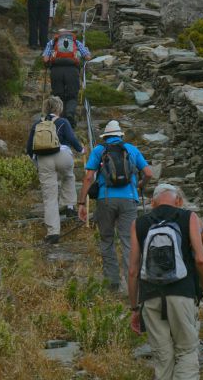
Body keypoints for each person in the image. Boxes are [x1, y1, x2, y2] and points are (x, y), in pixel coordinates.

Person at [128, 183, 203, 380]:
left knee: (162, 356)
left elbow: (132, 270)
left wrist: (134, 308)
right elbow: (200, 259)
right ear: (179, 201)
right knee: (186, 351)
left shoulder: (138, 223)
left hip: (150, 297)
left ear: (152, 202)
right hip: (182, 293)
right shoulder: (188, 217)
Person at [79, 120, 154, 292]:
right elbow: (149, 172)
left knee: (107, 239)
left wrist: (82, 202)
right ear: (120, 135)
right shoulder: (131, 149)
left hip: (105, 200)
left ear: (106, 136)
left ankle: (112, 283)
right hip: (129, 199)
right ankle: (132, 286)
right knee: (129, 242)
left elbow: (89, 177)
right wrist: (140, 184)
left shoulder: (99, 150)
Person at [26, 96, 85, 244]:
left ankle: (53, 233)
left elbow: (29, 147)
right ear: (59, 108)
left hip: (44, 159)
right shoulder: (63, 122)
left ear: (45, 108)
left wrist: (35, 159)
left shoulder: (37, 124)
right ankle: (69, 205)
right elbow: (72, 139)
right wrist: (81, 149)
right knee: (69, 177)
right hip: (62, 155)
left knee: (50, 197)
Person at [43, 29, 91, 126]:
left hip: (56, 70)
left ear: (58, 35)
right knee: (72, 95)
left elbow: (45, 59)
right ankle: (69, 114)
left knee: (58, 95)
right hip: (72, 70)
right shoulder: (76, 42)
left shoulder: (52, 43)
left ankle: (58, 118)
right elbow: (87, 57)